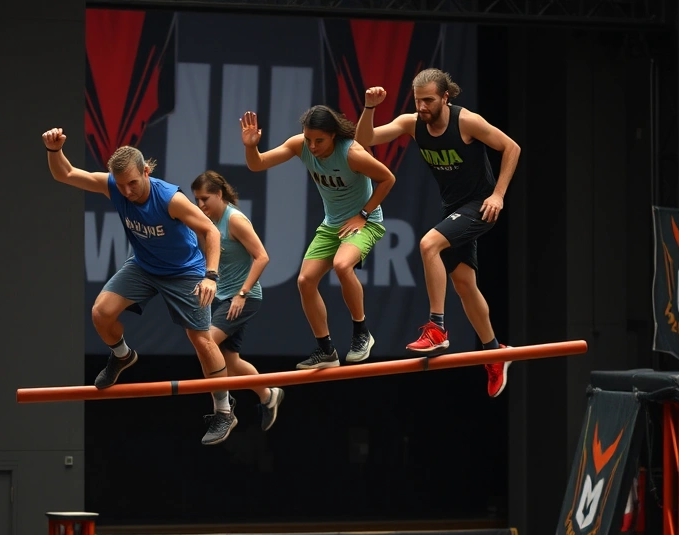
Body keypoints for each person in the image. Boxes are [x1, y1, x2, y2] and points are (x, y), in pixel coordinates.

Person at [41, 127, 236, 444]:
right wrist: (54, 150)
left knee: (201, 340)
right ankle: (121, 355)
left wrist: (210, 276)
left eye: (133, 182)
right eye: (121, 185)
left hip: (185, 272)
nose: (128, 191)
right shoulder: (115, 188)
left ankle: (224, 411)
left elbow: (211, 233)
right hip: (144, 266)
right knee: (101, 313)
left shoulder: (170, 199)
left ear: (146, 171)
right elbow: (66, 174)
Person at [353, 69, 521, 397]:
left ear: (446, 97)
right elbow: (364, 140)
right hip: (453, 209)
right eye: (418, 101)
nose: (423, 107)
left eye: (429, 100)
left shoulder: (467, 122)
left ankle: (437, 329)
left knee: (429, 243)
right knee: (464, 285)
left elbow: (511, 147)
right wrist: (369, 108)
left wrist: (498, 194)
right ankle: (494, 353)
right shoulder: (411, 123)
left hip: (480, 206)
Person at [241, 106, 397, 370]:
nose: (312, 146)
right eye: (308, 139)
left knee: (342, 265)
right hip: (331, 226)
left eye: (319, 140)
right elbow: (258, 164)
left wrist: (363, 214)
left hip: (365, 222)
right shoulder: (299, 145)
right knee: (305, 280)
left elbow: (387, 179)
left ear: (333, 135)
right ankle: (326, 350)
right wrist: (250, 146)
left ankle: (361, 333)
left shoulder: (352, 153)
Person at [191, 170, 284, 440]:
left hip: (244, 298)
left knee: (205, 344)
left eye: (205, 199)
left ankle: (223, 411)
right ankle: (269, 396)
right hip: (222, 297)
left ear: (219, 194)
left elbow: (262, 257)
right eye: (197, 200)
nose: (201, 205)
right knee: (229, 362)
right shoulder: (207, 221)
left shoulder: (235, 220)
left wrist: (242, 294)